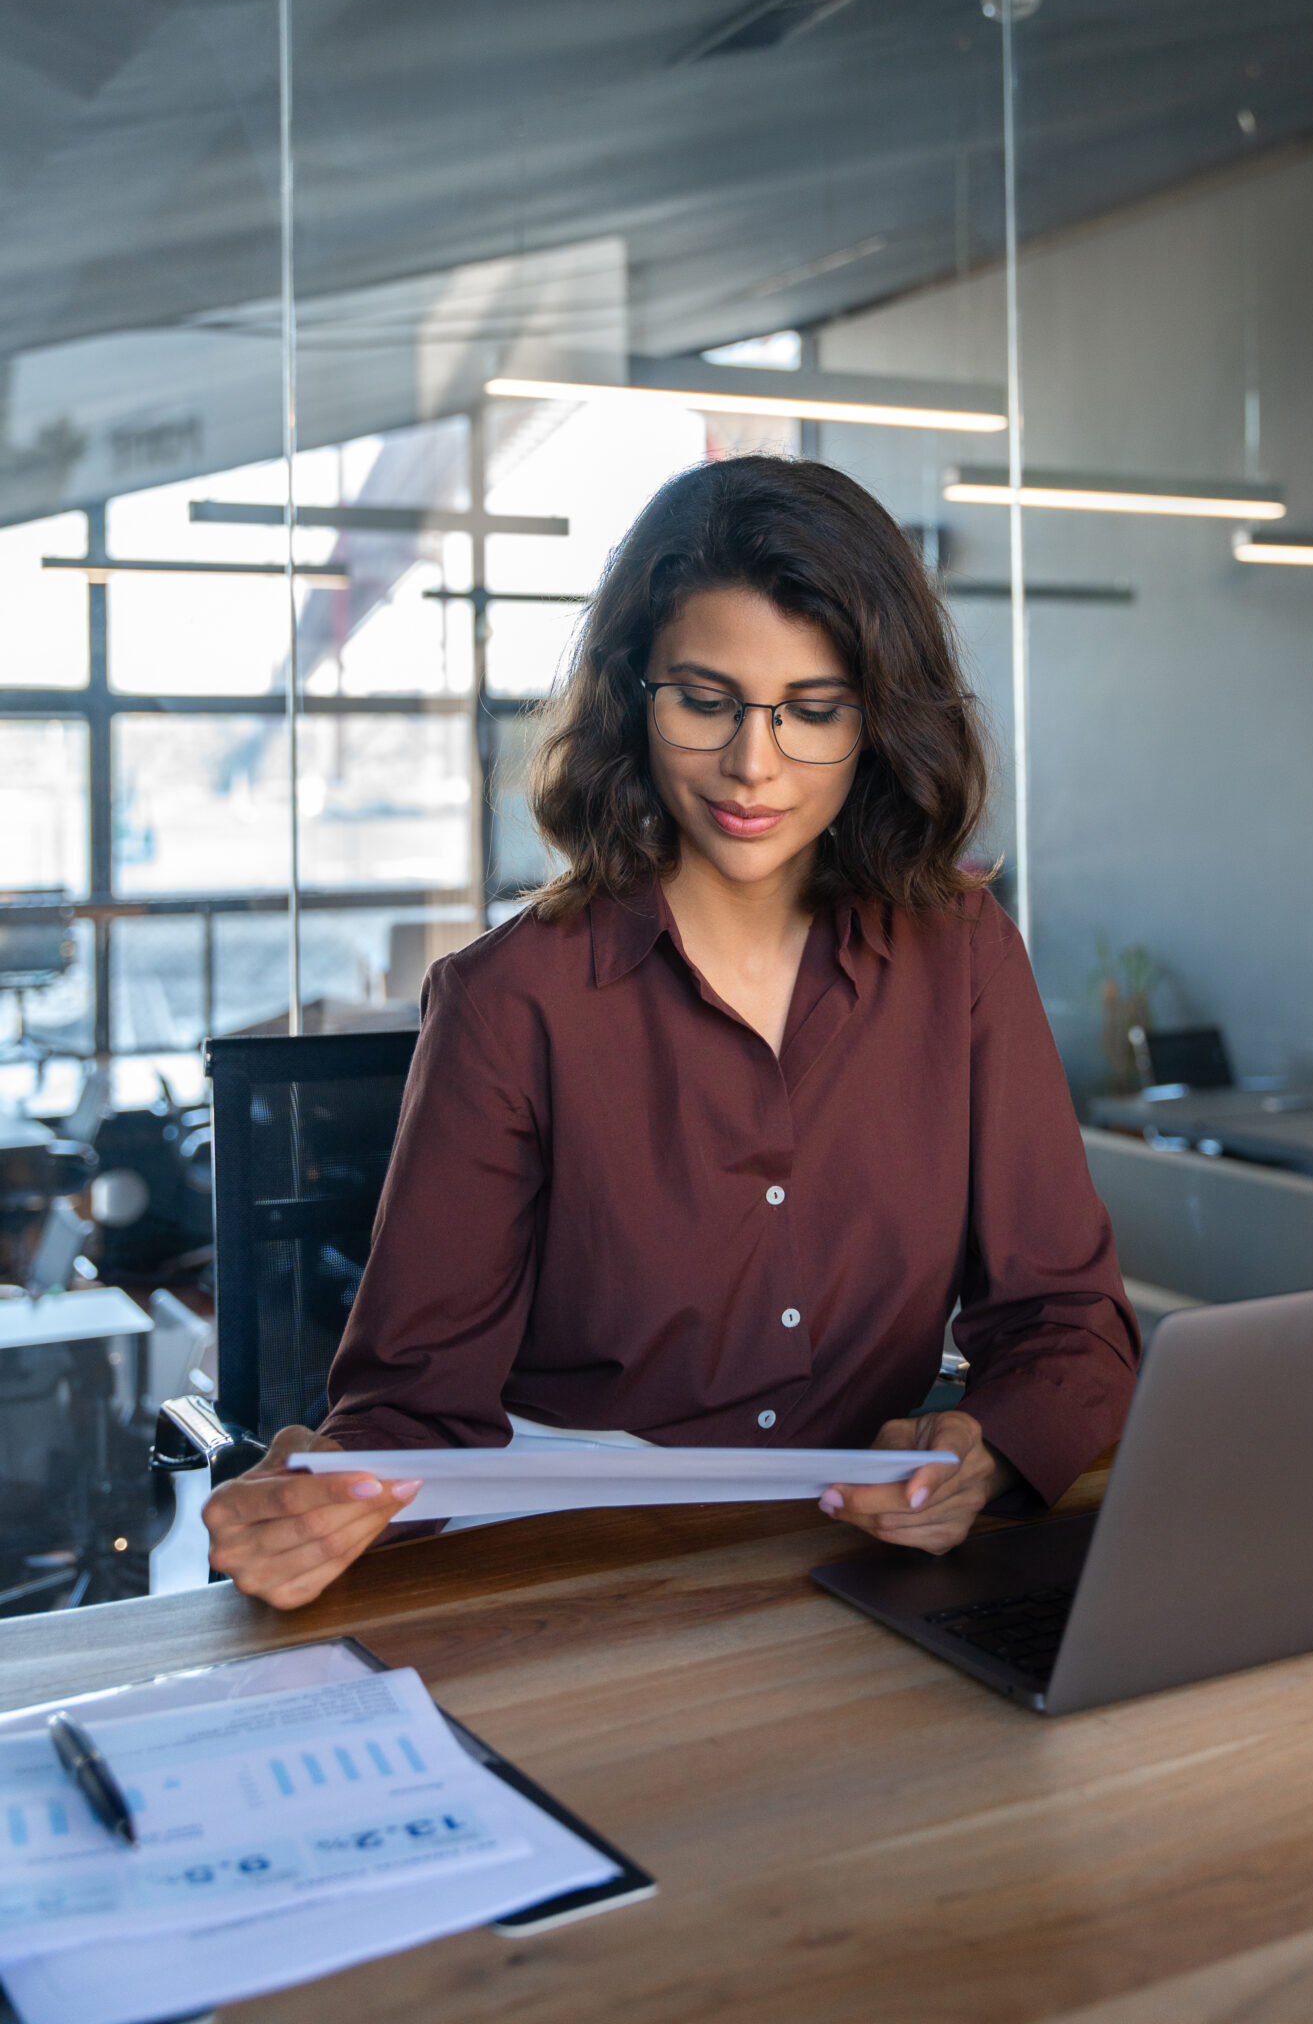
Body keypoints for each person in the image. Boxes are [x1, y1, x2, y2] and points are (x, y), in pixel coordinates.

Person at [205, 456, 1139, 1608]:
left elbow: (1066, 1321)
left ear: (879, 718)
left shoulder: (961, 952)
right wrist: (322, 1499)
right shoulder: (510, 1001)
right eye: (705, 700)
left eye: (814, 711)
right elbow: (411, 1409)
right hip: (581, 1574)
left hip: (871, 1572)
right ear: (632, 696)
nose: (754, 764)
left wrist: (984, 1452)